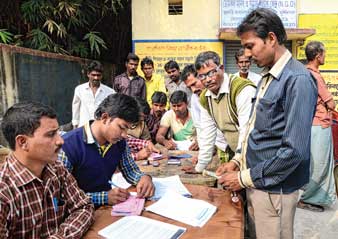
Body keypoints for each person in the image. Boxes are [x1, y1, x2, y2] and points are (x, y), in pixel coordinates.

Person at [218, 8, 317, 239]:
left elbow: (294, 152)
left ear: (271, 38)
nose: (247, 54)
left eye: (250, 46)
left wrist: (242, 178)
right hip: (258, 184)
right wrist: (236, 161)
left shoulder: (298, 80)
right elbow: (257, 130)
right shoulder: (267, 77)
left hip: (275, 191)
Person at [0, 102, 94, 238]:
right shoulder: (4, 192)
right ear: (22, 142)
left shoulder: (56, 169)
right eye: (51, 134)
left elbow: (84, 206)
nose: (60, 141)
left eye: (58, 132)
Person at [59, 94, 154, 207]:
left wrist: (144, 178)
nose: (125, 135)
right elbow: (61, 196)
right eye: (122, 127)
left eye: (127, 129)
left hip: (108, 209)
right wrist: (103, 197)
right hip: (79, 212)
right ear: (105, 118)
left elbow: (130, 170)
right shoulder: (68, 146)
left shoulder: (118, 142)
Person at [194, 51, 256, 173]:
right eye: (202, 76)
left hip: (257, 154)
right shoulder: (205, 97)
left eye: (211, 73)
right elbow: (207, 134)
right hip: (238, 153)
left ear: (221, 69)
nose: (207, 80)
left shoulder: (243, 89)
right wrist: (199, 168)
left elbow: (248, 132)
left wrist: (236, 162)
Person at [297, 41, 337, 212]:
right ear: (318, 56)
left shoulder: (303, 73)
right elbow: (331, 103)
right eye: (324, 53)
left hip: (310, 125)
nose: (325, 56)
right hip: (319, 125)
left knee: (314, 164)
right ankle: (308, 198)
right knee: (320, 165)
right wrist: (329, 107)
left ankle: (312, 195)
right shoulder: (315, 76)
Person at [181, 64, 227, 167]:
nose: (193, 90)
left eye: (194, 84)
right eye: (189, 87)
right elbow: (201, 128)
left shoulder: (224, 91)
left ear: (202, 77)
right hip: (215, 149)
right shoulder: (195, 98)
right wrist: (203, 156)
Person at [72, 60, 115, 128]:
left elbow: (112, 112)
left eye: (98, 75)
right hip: (83, 127)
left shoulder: (110, 92)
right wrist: (75, 126)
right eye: (93, 75)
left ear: (102, 75)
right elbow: (75, 109)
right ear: (88, 74)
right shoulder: (79, 89)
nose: (96, 78)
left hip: (101, 129)